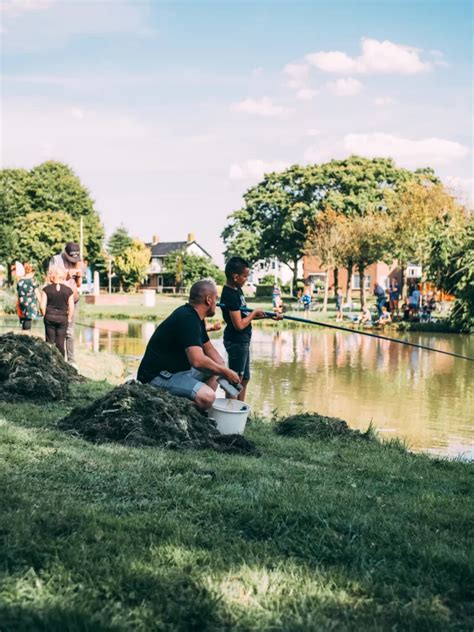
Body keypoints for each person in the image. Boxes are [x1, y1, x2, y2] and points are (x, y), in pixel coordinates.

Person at [137, 279, 239, 411]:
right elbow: (197, 361)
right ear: (209, 300)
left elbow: (215, 357)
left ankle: (200, 408)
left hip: (178, 372)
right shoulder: (187, 319)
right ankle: (185, 410)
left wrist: (228, 381)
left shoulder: (197, 319)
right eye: (216, 298)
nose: (217, 303)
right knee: (208, 397)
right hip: (156, 377)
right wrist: (226, 371)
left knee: (216, 370)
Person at [220, 257, 268, 402]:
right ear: (235, 277)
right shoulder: (230, 295)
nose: (247, 279)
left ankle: (240, 409)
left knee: (244, 378)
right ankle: (230, 412)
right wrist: (254, 313)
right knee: (235, 379)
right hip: (236, 341)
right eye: (245, 276)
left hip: (243, 340)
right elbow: (239, 325)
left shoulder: (237, 290)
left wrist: (269, 316)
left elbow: (244, 316)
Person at [49, 242, 84, 367]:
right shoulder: (56, 260)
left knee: (69, 331)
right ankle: (56, 359)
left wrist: (79, 276)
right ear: (65, 253)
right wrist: (66, 274)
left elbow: (78, 284)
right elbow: (51, 279)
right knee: (57, 330)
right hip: (59, 300)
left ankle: (71, 361)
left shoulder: (79, 261)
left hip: (73, 300)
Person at [40, 266, 75, 358]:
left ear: (53, 276)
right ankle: (61, 363)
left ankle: (49, 362)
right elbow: (71, 307)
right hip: (62, 318)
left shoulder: (46, 289)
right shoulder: (68, 291)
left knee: (49, 342)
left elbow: (42, 306)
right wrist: (69, 318)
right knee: (60, 343)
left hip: (49, 317)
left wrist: (44, 314)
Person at [16, 263, 41, 331]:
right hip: (30, 302)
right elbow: (37, 293)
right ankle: (26, 333)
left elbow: (18, 294)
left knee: (24, 318)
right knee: (28, 318)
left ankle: (23, 333)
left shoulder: (20, 281)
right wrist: (41, 304)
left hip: (22, 302)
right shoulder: (32, 281)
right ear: (31, 271)